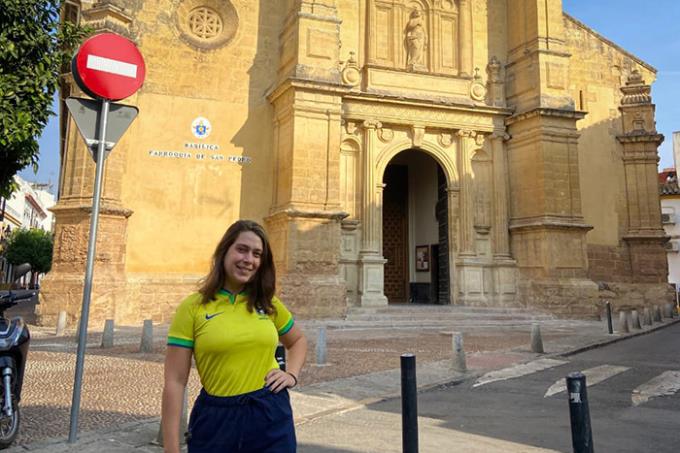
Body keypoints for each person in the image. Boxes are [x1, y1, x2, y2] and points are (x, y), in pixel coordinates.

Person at [162, 220, 307, 453]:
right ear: (224, 251)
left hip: (269, 412)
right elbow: (175, 381)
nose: (248, 260)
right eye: (242, 249)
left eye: (257, 254)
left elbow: (298, 341)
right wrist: (171, 449)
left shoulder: (267, 303)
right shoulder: (193, 308)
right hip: (216, 419)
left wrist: (291, 374)